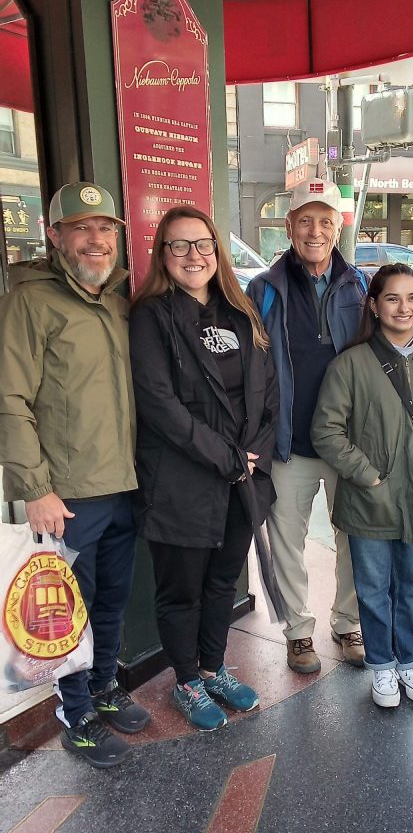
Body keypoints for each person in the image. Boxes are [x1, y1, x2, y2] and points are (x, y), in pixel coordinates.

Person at [0, 181, 149, 768]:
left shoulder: (116, 299)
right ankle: (76, 712)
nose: (96, 239)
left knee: (110, 599)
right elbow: (10, 398)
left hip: (122, 483)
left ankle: (106, 685)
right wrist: (34, 488)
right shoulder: (30, 301)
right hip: (67, 494)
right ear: (54, 236)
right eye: (82, 228)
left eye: (106, 228)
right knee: (66, 608)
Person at [129, 206, 278, 732]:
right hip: (183, 482)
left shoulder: (240, 311)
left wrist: (252, 453)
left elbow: (267, 390)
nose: (194, 255)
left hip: (242, 477)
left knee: (222, 582)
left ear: (217, 250)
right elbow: (160, 404)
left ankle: (214, 667)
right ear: (162, 255)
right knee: (181, 591)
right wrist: (229, 460)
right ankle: (187, 680)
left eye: (203, 244)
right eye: (179, 245)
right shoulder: (151, 317)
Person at [311, 264, 413, 708]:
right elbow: (327, 431)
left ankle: (410, 662)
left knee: (412, 586)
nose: (404, 307)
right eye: (392, 298)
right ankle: (381, 668)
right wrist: (368, 474)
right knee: (373, 589)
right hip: (368, 500)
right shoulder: (351, 364)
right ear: (374, 305)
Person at [247, 179, 366, 674]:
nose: (315, 230)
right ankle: (298, 632)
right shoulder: (263, 289)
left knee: (355, 537)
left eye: (325, 219)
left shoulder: (361, 285)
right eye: (304, 220)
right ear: (289, 227)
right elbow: (249, 367)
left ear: (339, 225)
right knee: (286, 543)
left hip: (346, 443)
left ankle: (347, 623)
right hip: (289, 444)